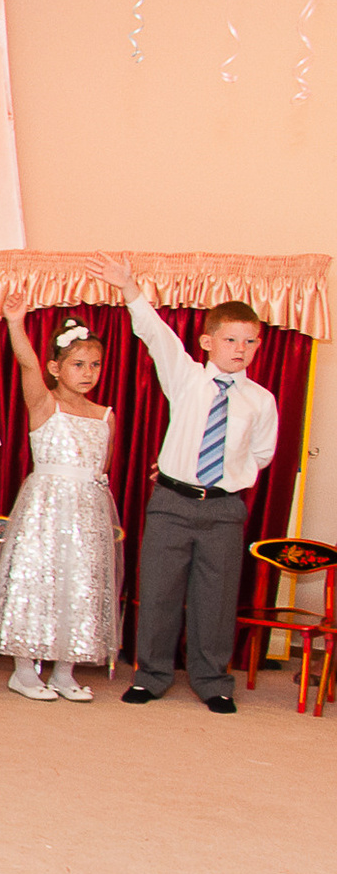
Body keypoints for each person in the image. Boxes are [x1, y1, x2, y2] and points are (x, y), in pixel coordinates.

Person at [91, 254, 280, 712]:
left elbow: (262, 454)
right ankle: (150, 675)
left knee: (215, 599)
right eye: (230, 339)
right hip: (171, 504)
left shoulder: (261, 400)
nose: (240, 348)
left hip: (223, 510)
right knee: (158, 592)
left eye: (250, 341)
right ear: (207, 341)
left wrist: (222, 479)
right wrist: (129, 288)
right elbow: (156, 335)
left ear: (258, 345)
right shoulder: (187, 378)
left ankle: (213, 680)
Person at [0, 294, 120, 700]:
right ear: (56, 367)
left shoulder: (104, 414)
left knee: (80, 584)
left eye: (94, 364)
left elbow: (101, 467)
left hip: (87, 511)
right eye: (78, 364)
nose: (88, 372)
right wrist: (15, 322)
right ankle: (24, 671)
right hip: (47, 507)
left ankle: (65, 670)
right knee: (38, 581)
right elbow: (26, 363)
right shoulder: (44, 403)